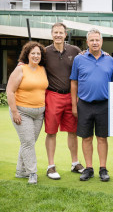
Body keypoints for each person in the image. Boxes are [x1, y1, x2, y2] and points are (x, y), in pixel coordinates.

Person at [70, 28, 113, 182]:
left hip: (104, 104)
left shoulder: (110, 60)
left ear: (101, 41)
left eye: (97, 40)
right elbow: (74, 82)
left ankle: (103, 168)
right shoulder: (79, 59)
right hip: (84, 104)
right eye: (92, 40)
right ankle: (89, 168)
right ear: (87, 42)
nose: (95, 42)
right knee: (86, 137)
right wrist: (74, 105)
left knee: (102, 138)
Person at [45, 22, 84, 180]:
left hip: (71, 96)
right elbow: (32, 62)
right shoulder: (45, 52)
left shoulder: (74, 50)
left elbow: (87, 60)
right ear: (51, 34)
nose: (58, 35)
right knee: (51, 132)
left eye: (61, 32)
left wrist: (106, 54)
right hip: (53, 95)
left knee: (72, 131)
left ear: (65, 34)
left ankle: (75, 163)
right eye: (55, 32)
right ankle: (51, 166)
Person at [6, 41, 48, 184]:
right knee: (28, 142)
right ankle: (32, 173)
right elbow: (10, 91)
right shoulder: (21, 69)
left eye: (38, 53)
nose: (36, 56)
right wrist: (14, 112)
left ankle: (20, 171)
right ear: (27, 55)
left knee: (28, 143)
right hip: (22, 112)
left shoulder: (43, 69)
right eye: (33, 53)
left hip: (39, 114)